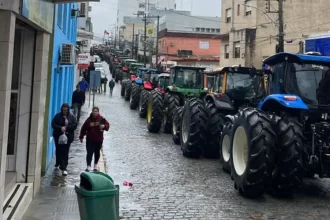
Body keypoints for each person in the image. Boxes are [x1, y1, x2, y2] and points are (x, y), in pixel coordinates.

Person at [79, 107, 110, 172]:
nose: (95, 112)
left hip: (99, 140)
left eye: (96, 111)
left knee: (97, 153)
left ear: (98, 112)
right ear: (92, 112)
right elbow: (84, 128)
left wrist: (104, 126)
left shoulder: (101, 119)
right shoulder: (89, 120)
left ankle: (95, 165)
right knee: (89, 153)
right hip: (90, 139)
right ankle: (88, 166)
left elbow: (107, 125)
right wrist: (81, 136)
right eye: (93, 111)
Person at [51, 103, 78, 176]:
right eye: (63, 110)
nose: (65, 111)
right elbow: (53, 124)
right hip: (58, 136)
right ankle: (58, 163)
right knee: (59, 150)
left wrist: (67, 128)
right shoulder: (57, 116)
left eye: (66, 110)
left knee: (65, 152)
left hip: (68, 137)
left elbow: (75, 125)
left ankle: (64, 168)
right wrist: (60, 128)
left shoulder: (72, 117)